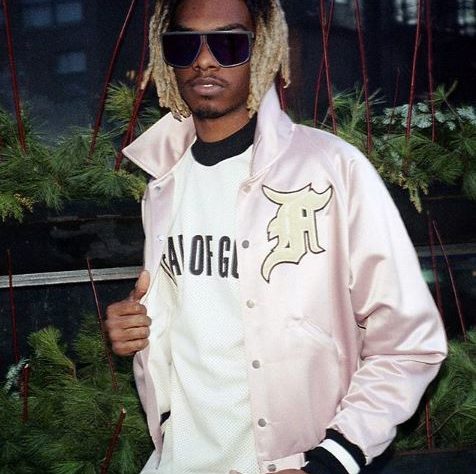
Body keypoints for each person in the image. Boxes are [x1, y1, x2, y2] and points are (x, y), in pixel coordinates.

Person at [105, 0, 447, 473]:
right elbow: (201, 310)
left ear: (263, 48)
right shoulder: (164, 180)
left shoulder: (332, 169)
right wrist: (139, 328)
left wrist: (333, 458)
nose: (204, 60)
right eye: (184, 44)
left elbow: (409, 342)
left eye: (228, 43)